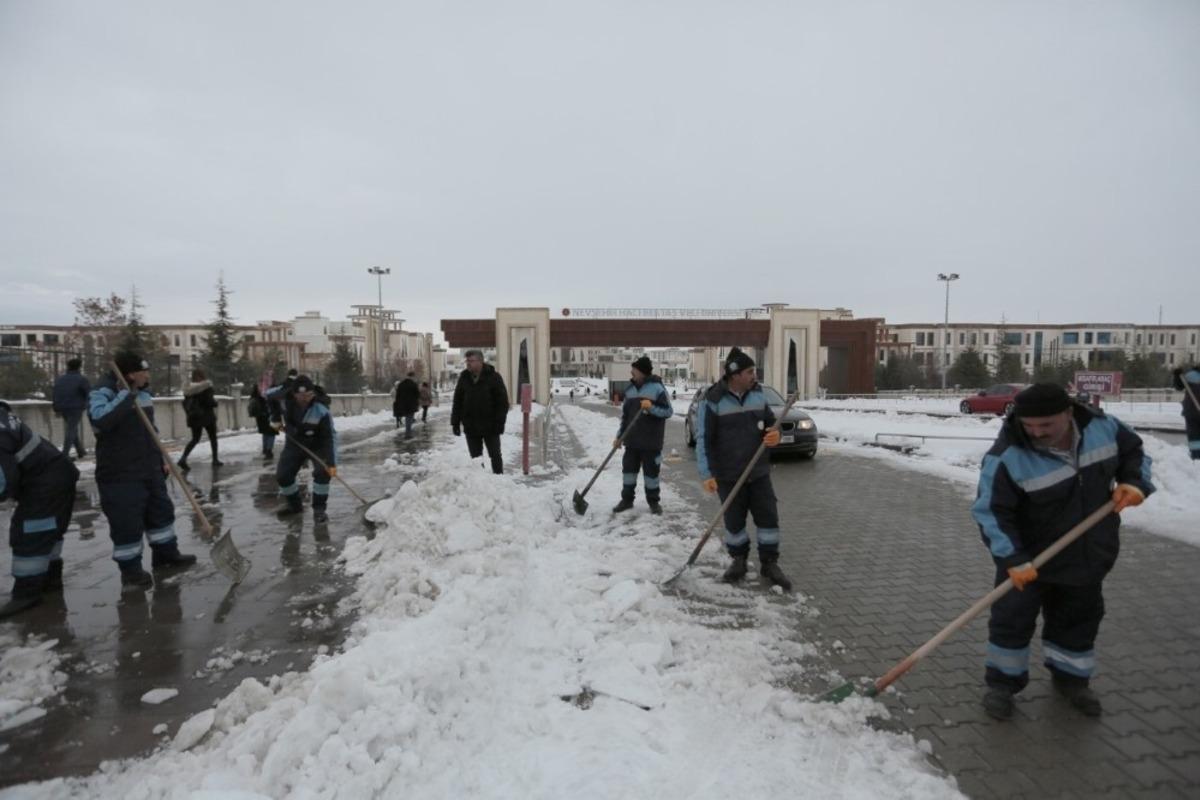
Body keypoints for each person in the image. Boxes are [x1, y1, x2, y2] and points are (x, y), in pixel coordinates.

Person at [971, 383, 1154, 720]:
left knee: (1079, 619)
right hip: (1028, 559)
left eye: (1046, 425)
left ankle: (1072, 680)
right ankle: (1002, 685)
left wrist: (1134, 482)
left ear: (1069, 413)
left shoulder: (1104, 428)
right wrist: (1013, 559)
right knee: (1012, 621)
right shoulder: (1008, 455)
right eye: (1030, 426)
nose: (1037, 433)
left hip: (1087, 552)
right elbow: (991, 512)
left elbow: (1135, 453)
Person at [88, 350, 196, 591]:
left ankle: (166, 555)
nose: (148, 375)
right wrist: (127, 395)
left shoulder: (144, 394)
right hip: (120, 472)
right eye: (144, 371)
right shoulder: (102, 393)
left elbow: (150, 431)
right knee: (127, 521)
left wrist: (161, 459)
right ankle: (131, 571)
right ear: (131, 375)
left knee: (160, 513)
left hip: (149, 467)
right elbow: (100, 420)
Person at [695, 347, 790, 590]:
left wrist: (775, 435)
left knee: (768, 518)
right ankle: (738, 560)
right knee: (734, 522)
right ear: (734, 374)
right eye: (749, 371)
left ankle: (769, 563)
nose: (754, 375)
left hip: (758, 472)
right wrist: (707, 474)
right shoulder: (713, 401)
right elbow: (703, 438)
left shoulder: (758, 395)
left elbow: (771, 424)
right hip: (728, 475)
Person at [0, 400, 79, 618]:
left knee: (31, 532)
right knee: (46, 531)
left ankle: (27, 593)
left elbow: (4, 480)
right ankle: (49, 581)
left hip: (47, 481)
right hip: (54, 475)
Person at [612, 356, 673, 515]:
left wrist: (651, 407)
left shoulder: (658, 388)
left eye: (634, 369)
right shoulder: (630, 390)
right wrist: (619, 437)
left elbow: (668, 411)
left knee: (651, 475)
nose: (631, 372)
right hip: (631, 441)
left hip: (651, 442)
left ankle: (653, 502)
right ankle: (627, 500)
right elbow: (625, 417)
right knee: (628, 473)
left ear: (642, 372)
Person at [274, 375, 338, 522]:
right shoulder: (284, 400)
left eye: (308, 395)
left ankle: (319, 510)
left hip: (318, 443)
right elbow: (269, 398)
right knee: (283, 476)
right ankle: (295, 506)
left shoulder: (321, 409)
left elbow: (328, 437)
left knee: (323, 473)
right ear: (294, 394)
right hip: (295, 443)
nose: (304, 398)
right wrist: (275, 419)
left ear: (313, 393)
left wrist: (331, 463)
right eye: (300, 395)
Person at [450, 349, 509, 474]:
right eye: (467, 361)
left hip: (490, 426)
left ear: (480, 361)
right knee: (476, 458)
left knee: (495, 455)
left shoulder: (494, 377)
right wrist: (455, 422)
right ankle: (480, 483)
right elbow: (458, 401)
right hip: (471, 426)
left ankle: (499, 479)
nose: (468, 364)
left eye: (471, 361)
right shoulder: (464, 377)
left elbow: (502, 403)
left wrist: (499, 423)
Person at [178, 368, 221, 470]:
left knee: (195, 439)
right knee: (213, 438)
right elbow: (209, 402)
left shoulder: (188, 390)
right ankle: (215, 459)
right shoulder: (206, 387)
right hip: (207, 417)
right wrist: (215, 403)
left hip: (194, 417)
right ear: (202, 377)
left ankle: (183, 458)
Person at [52, 357, 90, 459]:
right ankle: (64, 455)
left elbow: (55, 392)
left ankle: (80, 451)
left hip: (62, 407)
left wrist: (56, 407)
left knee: (72, 429)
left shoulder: (60, 379)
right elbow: (88, 393)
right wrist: (87, 404)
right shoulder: (82, 379)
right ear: (79, 367)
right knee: (71, 429)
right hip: (75, 407)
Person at [1172, 365, 1200, 460]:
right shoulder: (1191, 376)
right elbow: (1179, 386)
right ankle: (1196, 458)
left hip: (1191, 412)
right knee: (1194, 438)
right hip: (1192, 413)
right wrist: (1177, 375)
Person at [247, 383, 275, 460]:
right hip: (268, 415)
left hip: (260, 416)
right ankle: (269, 450)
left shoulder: (256, 392)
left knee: (265, 432)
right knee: (271, 433)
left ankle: (265, 449)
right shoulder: (267, 391)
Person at [392, 372, 421, 438]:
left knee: (408, 418)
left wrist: (398, 403)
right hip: (411, 404)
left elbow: (398, 395)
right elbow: (417, 395)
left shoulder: (401, 384)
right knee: (409, 418)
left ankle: (408, 432)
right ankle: (408, 434)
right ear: (412, 376)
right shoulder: (413, 384)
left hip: (402, 404)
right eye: (414, 377)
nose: (414, 378)